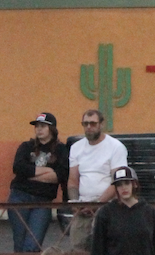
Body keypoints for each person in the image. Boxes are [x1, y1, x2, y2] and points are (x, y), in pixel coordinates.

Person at [67, 109, 128, 254]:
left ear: (101, 124)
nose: (89, 127)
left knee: (104, 248)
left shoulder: (115, 147)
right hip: (82, 206)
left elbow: (117, 181)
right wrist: (75, 203)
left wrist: (97, 204)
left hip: (108, 207)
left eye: (93, 123)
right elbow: (73, 180)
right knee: (78, 248)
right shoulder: (76, 148)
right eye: (85, 124)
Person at [8, 112, 70, 253]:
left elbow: (60, 175)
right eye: (37, 126)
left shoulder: (61, 150)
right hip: (19, 197)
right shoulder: (26, 146)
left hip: (43, 201)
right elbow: (18, 168)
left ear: (52, 129)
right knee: (19, 243)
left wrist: (30, 174)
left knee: (33, 245)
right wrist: (47, 170)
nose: (39, 129)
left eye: (43, 126)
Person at [91, 166, 155, 255]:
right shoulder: (105, 213)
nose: (123, 187)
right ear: (116, 188)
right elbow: (97, 247)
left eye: (127, 183)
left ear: (135, 184)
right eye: (119, 184)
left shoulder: (150, 212)